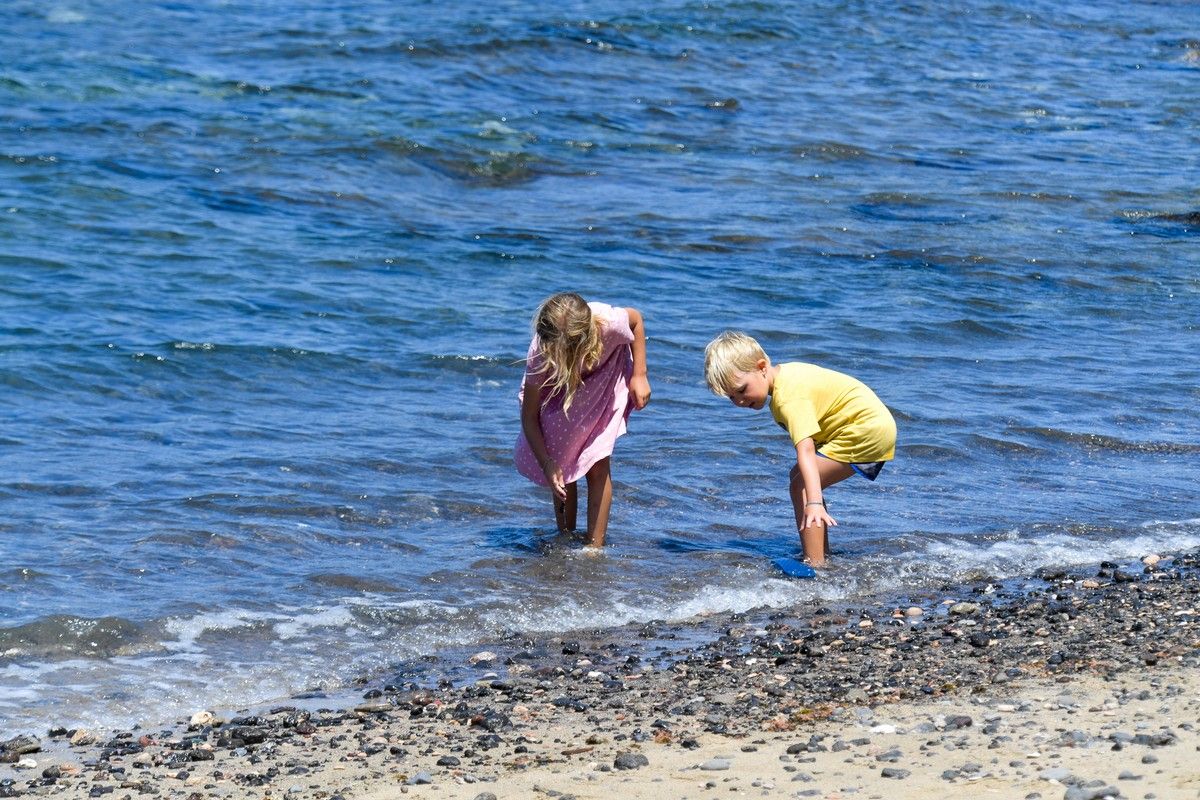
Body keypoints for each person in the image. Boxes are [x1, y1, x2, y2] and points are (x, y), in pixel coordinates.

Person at [703, 331, 895, 566]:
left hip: (865, 430)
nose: (740, 401)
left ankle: (815, 564)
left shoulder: (788, 398)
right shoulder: (786, 377)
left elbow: (805, 451)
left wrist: (814, 502)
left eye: (742, 390)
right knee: (798, 477)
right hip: (866, 426)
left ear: (762, 367)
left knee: (802, 484)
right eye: (732, 397)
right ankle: (820, 554)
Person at [515, 292, 651, 547]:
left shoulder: (608, 322)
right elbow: (530, 417)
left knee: (598, 464)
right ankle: (565, 536)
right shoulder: (542, 350)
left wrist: (640, 374)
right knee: (560, 463)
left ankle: (594, 547)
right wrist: (546, 463)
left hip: (602, 379)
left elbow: (636, 321)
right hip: (560, 391)